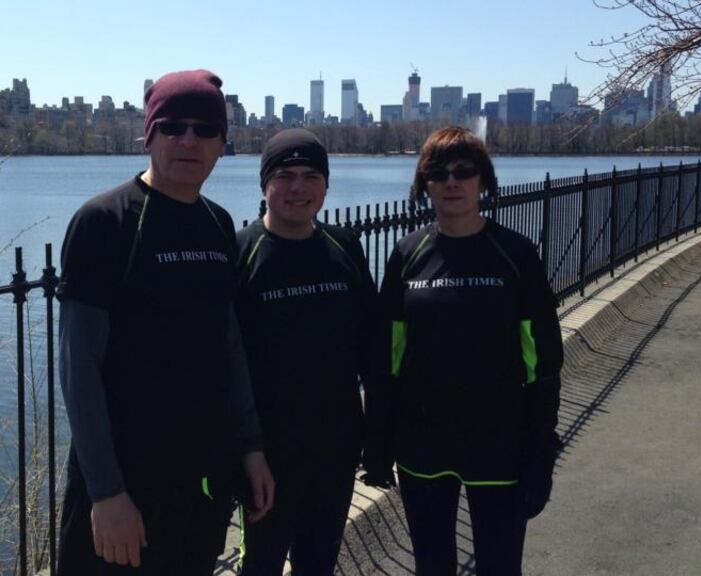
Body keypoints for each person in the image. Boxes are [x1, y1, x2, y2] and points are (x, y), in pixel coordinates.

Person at [56, 69, 275, 576]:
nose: (188, 140)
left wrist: (251, 448)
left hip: (200, 482)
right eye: (173, 127)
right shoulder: (104, 222)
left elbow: (228, 348)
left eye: (205, 129)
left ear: (222, 143)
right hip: (124, 490)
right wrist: (107, 493)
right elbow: (78, 370)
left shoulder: (218, 223)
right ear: (149, 136)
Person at [366, 126, 563, 576]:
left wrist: (541, 445)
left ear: (483, 180)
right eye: (438, 173)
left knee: (499, 566)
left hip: (499, 442)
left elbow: (542, 360)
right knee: (432, 565)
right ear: (424, 184)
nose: (451, 182)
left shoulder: (515, 254)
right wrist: (378, 439)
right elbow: (386, 358)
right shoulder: (408, 254)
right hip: (423, 443)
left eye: (463, 171)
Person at [234, 129, 383, 575]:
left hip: (336, 446)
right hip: (268, 455)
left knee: (318, 563)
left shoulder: (344, 246)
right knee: (260, 565)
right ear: (265, 184)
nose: (298, 188)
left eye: (311, 176)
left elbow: (371, 348)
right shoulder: (243, 252)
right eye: (285, 175)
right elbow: (225, 364)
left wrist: (378, 435)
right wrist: (246, 451)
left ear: (326, 186)